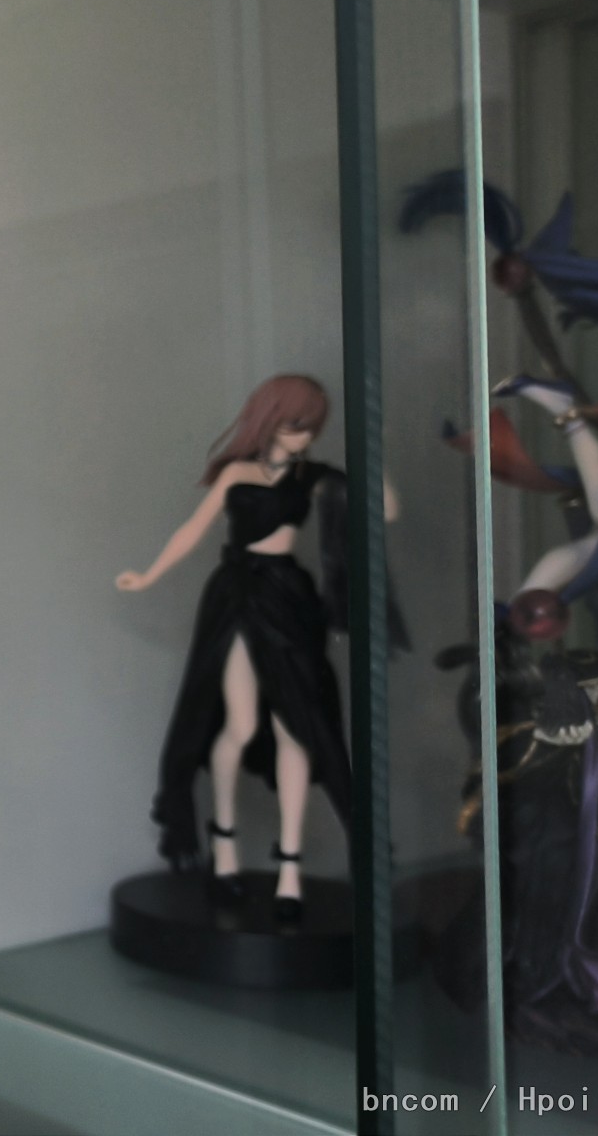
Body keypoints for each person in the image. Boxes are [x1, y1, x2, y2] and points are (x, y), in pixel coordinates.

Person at [117, 374, 396, 923]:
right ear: (269, 420)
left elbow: (383, 509)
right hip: (237, 597)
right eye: (294, 425)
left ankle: (290, 865)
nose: (302, 436)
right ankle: (224, 842)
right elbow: (193, 529)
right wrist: (148, 575)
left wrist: (373, 451)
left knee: (300, 728)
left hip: (288, 599)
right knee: (241, 725)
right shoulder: (236, 473)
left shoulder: (314, 477)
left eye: (310, 427)